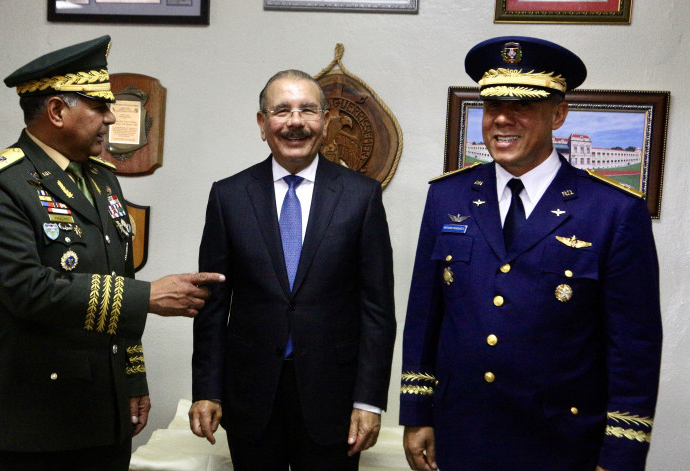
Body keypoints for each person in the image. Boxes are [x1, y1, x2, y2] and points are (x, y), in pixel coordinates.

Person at [0, 35, 224, 471]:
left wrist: (132, 376)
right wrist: (148, 296)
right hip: (31, 423)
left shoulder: (100, 177)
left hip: (102, 414)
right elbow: (28, 290)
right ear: (57, 111)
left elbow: (116, 276)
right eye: (99, 106)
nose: (111, 117)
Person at [400, 36, 662, 471]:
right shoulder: (448, 196)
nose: (502, 119)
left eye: (521, 105)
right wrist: (416, 412)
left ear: (558, 114)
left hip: (561, 444)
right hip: (460, 434)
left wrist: (621, 455)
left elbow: (633, 346)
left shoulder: (613, 211)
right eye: (492, 106)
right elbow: (425, 316)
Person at [189, 69, 396, 470]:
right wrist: (207, 390)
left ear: (325, 121)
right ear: (262, 123)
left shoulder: (361, 196)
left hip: (334, 398)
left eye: (308, 110)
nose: (295, 122)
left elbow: (377, 309)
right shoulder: (228, 196)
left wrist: (369, 400)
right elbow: (212, 306)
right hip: (250, 396)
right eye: (282, 110)